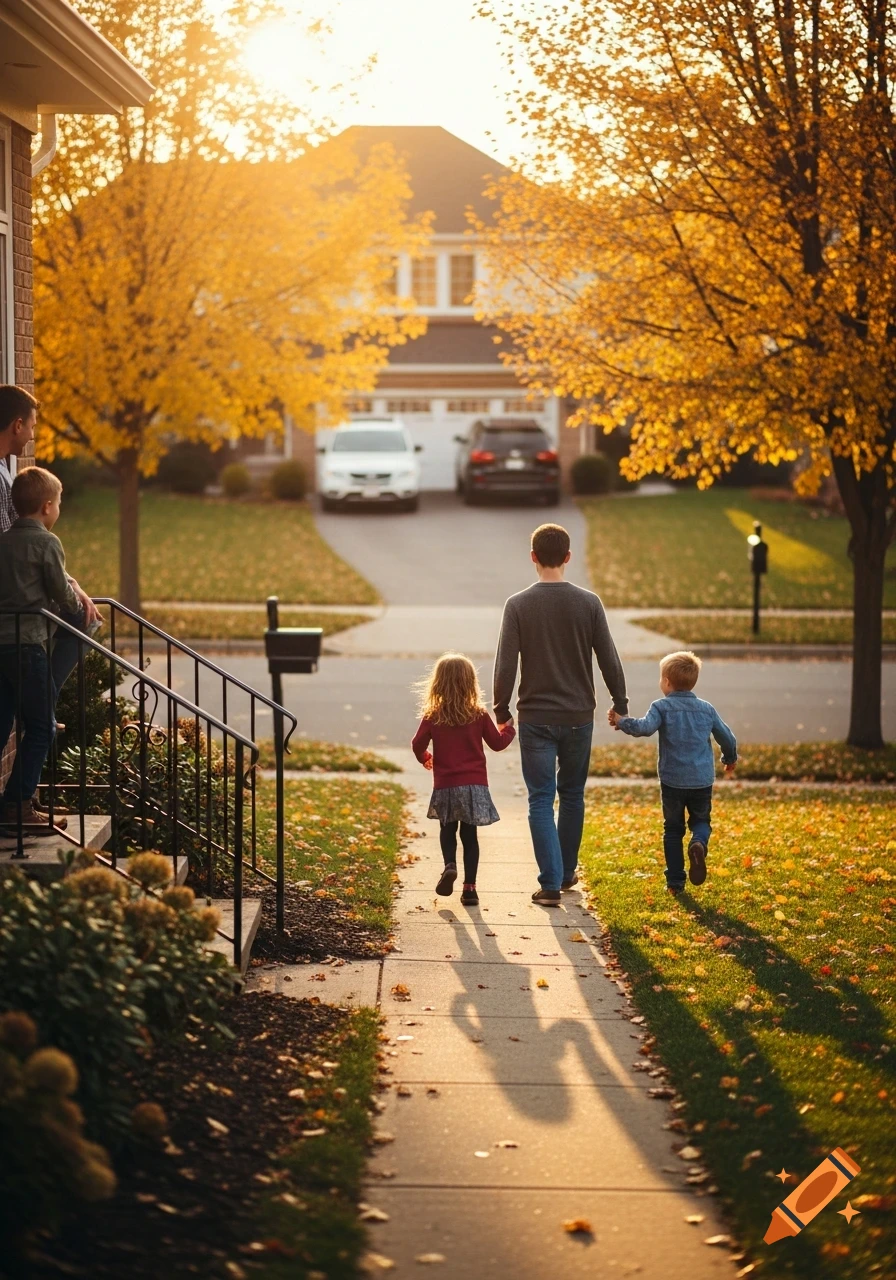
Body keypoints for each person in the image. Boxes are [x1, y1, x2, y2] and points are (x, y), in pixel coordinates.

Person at [494, 523, 628, 906]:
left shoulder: (518, 605)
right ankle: (566, 872)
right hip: (578, 716)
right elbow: (608, 658)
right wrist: (620, 702)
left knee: (540, 798)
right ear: (568, 557)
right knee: (572, 795)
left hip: (535, 716)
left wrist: (501, 709)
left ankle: (550, 883)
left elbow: (506, 664)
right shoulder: (588, 603)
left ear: (533, 557)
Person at [609, 650, 737, 893]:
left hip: (672, 781)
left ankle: (675, 882)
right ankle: (698, 843)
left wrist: (621, 721)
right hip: (701, 780)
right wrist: (729, 758)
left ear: (666, 682)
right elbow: (726, 736)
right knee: (701, 821)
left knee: (672, 829)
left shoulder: (661, 707)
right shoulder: (706, 709)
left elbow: (644, 728)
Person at [0, 386, 100, 692]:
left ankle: (38, 704)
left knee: (84, 612)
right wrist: (68, 587)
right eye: (31, 426)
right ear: (17, 425)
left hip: (16, 593)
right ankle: (43, 703)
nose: (31, 435)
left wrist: (71, 582)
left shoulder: (6, 468)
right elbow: (15, 541)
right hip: (14, 599)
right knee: (87, 619)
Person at [0, 467, 83, 832]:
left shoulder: (2, 541)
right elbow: (61, 592)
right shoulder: (48, 543)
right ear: (48, 507)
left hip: (1, 644)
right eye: (60, 502)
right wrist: (79, 606)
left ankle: (17, 800)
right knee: (41, 726)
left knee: (4, 723)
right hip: (29, 644)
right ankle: (18, 804)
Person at [412, 653, 515, 906]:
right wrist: (509, 728)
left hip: (446, 785)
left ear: (438, 683)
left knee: (447, 829)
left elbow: (417, 744)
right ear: (470, 683)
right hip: (475, 786)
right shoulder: (478, 714)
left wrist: (426, 756)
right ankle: (470, 889)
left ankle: (449, 865)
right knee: (470, 837)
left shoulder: (434, 715)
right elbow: (498, 744)